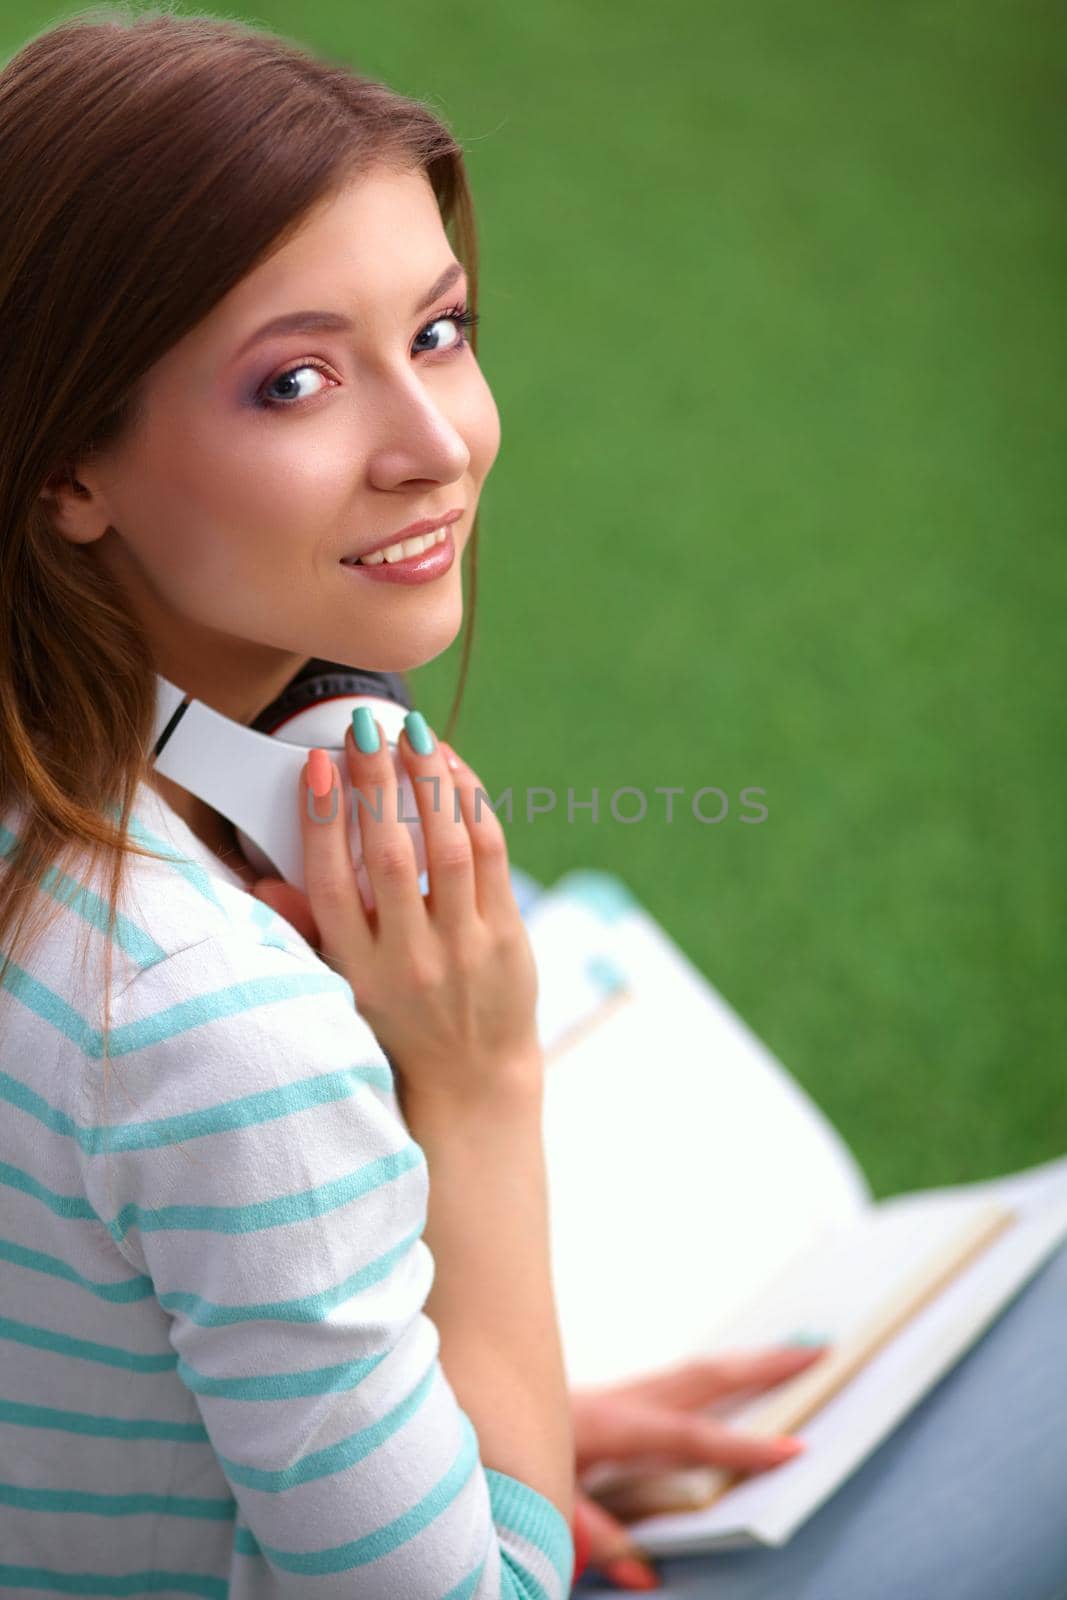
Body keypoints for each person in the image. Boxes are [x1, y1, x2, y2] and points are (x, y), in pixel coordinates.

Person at [0, 8, 842, 1595]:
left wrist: (453, 1433)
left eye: (440, 332)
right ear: (65, 470)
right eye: (297, 380)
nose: (437, 444)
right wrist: (473, 1084)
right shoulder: (207, 1023)